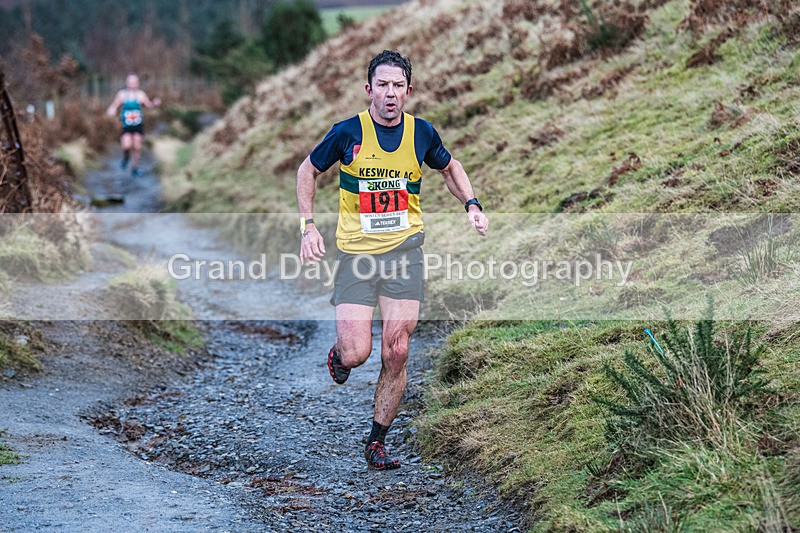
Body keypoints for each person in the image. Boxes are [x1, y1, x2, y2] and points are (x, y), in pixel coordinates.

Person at [296, 50, 489, 470]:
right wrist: (308, 226)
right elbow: (307, 171)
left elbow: (451, 167)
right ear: (369, 90)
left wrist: (471, 203)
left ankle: (377, 442)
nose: (389, 93)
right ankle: (339, 355)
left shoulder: (422, 133)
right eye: (381, 85)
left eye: (397, 86)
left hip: (405, 255)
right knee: (357, 353)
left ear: (408, 91)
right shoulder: (347, 133)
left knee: (397, 351)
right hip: (357, 258)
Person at [106, 73, 160, 177]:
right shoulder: (122, 94)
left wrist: (155, 103)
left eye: (134, 82)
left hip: (138, 124)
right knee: (126, 145)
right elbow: (115, 105)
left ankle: (135, 168)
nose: (132, 84)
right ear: (127, 83)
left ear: (138, 83)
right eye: (130, 82)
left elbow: (148, 105)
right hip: (126, 124)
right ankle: (126, 158)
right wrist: (111, 110)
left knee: (137, 146)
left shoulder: (141, 95)